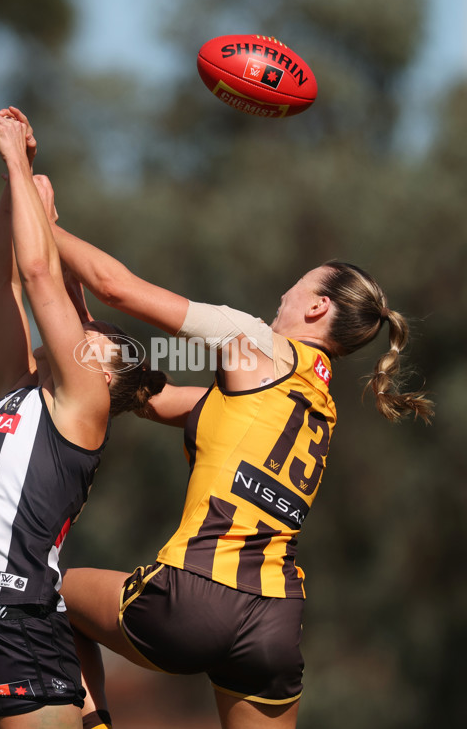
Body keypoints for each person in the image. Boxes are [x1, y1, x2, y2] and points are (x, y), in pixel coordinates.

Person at [45, 224, 434, 728]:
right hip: (274, 621)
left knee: (48, 588)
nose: (282, 294)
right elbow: (145, 397)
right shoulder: (317, 405)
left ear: (317, 307)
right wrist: (82, 317)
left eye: (297, 285)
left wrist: (40, 222)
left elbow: (117, 285)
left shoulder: (255, 342)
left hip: (193, 596)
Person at [0, 108, 165, 729]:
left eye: (99, 334)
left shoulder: (85, 405)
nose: (85, 327)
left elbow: (38, 274)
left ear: (107, 377)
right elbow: (1, 284)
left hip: (22, 632)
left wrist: (20, 164)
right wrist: (9, 190)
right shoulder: (17, 390)